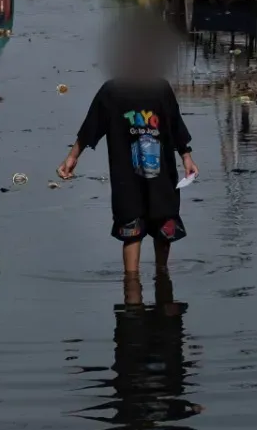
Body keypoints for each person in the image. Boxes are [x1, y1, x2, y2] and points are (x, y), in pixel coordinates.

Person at [58, 15, 199, 276]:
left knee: (162, 231)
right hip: (129, 182)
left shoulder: (161, 90)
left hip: (160, 181)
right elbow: (92, 126)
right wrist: (72, 156)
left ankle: (159, 277)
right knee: (132, 234)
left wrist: (187, 158)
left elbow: (176, 126)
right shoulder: (112, 92)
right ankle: (134, 286)